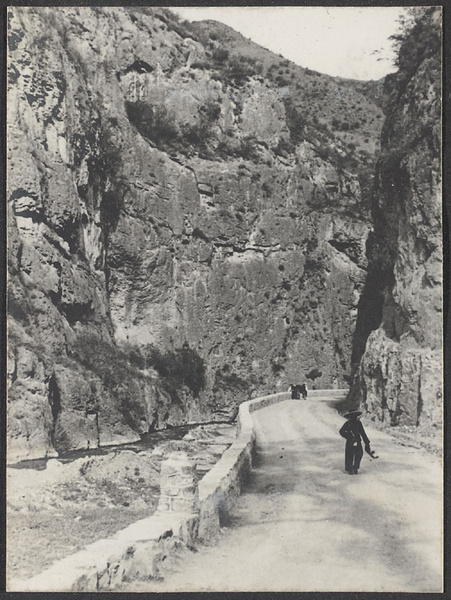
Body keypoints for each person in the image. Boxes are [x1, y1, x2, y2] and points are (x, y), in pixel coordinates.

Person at [339, 410, 370, 475]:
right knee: (350, 455)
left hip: (357, 441)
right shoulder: (347, 423)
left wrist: (367, 442)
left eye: (356, 416)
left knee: (359, 454)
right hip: (350, 442)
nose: (355, 417)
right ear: (351, 417)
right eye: (353, 416)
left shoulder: (358, 423)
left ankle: (355, 467)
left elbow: (362, 433)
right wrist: (349, 436)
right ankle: (350, 469)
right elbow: (341, 431)